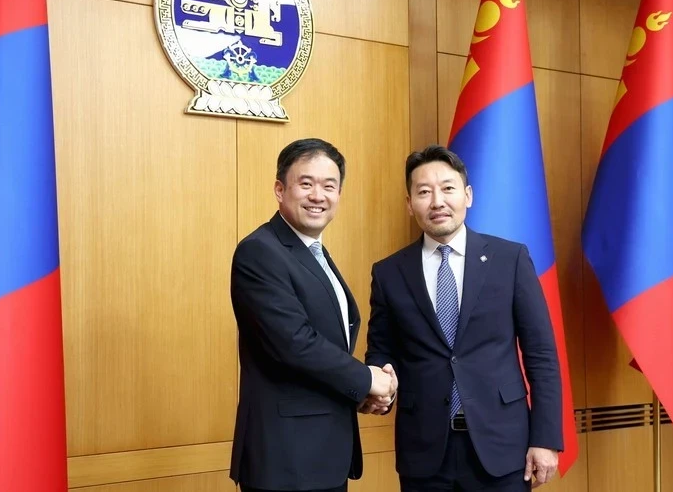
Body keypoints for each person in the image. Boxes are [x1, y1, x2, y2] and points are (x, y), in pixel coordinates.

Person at [362, 144, 563, 491]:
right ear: (410, 204)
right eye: (424, 192)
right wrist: (380, 388)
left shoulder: (510, 259)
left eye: (448, 188)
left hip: (502, 446)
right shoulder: (389, 273)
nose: (437, 201)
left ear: (467, 195)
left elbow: (541, 354)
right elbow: (381, 351)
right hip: (424, 451)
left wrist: (545, 439)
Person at [229, 138, 396, 492]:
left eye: (329, 186)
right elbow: (293, 343)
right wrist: (366, 379)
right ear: (280, 189)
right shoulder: (260, 252)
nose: (318, 195)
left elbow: (325, 345)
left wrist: (361, 392)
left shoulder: (312, 251)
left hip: (321, 454)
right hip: (286, 459)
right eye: (306, 183)